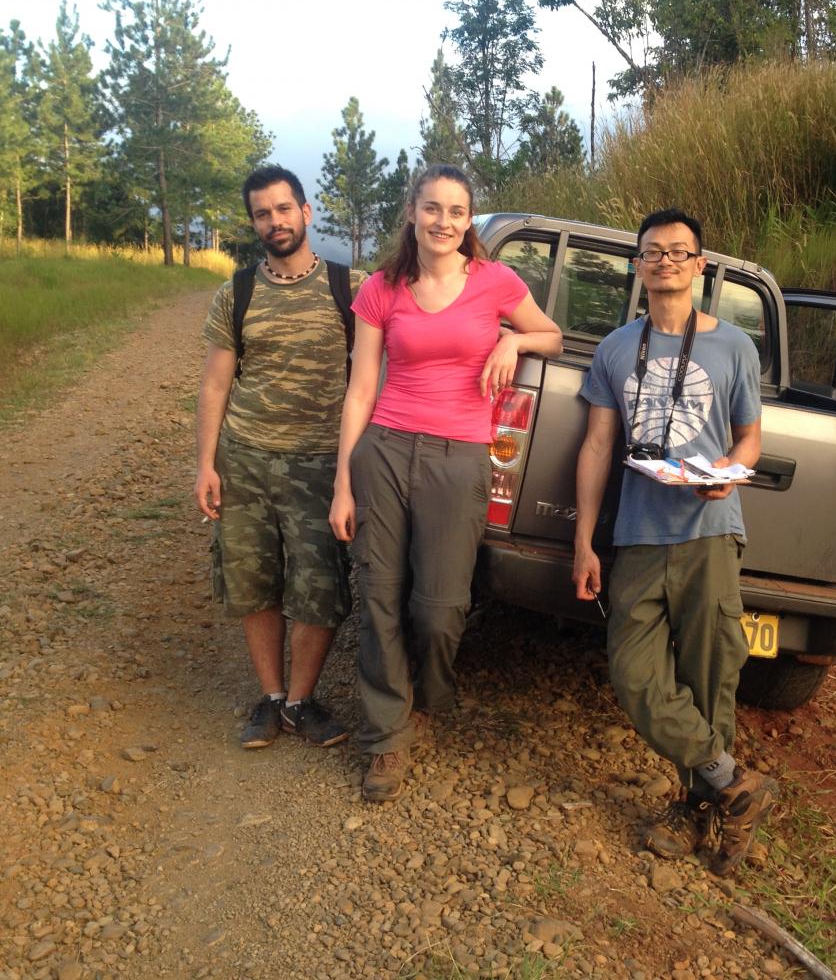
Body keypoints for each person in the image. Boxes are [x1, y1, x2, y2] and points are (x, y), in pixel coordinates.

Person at [328, 164, 562, 803]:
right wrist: (344, 483)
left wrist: (514, 341)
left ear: (468, 219)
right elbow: (360, 390)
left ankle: (429, 697)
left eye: (456, 211)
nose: (444, 222)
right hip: (384, 450)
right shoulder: (381, 288)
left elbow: (551, 334)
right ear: (412, 212)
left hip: (460, 458)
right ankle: (386, 735)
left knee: (439, 608)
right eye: (432, 208)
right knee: (379, 595)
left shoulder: (494, 281)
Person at [571, 207, 776, 878]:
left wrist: (729, 473)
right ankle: (734, 783)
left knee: (711, 677)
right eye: (653, 252)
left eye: (679, 252)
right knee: (634, 673)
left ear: (699, 265)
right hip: (637, 532)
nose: (666, 261)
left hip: (710, 530)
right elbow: (597, 444)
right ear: (639, 266)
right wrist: (584, 541)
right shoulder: (615, 348)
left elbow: (749, 438)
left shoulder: (734, 346)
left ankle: (701, 813)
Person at [195, 165, 354, 749]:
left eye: (283, 209)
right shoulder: (236, 293)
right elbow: (215, 383)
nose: (274, 221)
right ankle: (269, 698)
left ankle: (301, 702)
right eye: (262, 213)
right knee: (253, 581)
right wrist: (206, 463)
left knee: (319, 586)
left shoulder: (350, 288)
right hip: (245, 459)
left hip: (321, 464)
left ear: (305, 212)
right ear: (254, 223)